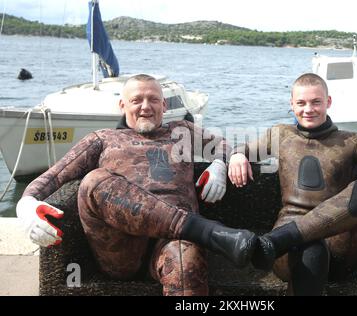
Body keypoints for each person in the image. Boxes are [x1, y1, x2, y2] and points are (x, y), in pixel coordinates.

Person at [16, 74, 257, 296]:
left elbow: (225, 145)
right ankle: (209, 231)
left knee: (186, 260)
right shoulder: (102, 139)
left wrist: (222, 163)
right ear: (122, 105)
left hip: (171, 245)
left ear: (164, 106)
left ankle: (201, 233)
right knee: (94, 180)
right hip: (120, 248)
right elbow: (53, 176)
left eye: (153, 99)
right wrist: (26, 204)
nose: (145, 106)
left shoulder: (182, 131)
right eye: (136, 100)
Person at [228, 73, 357, 296]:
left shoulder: (352, 141)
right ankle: (285, 239)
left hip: (335, 247)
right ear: (292, 104)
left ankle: (273, 241)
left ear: (328, 102)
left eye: (316, 102)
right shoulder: (280, 134)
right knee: (311, 249)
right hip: (286, 252)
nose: (308, 109)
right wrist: (237, 155)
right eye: (301, 103)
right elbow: (244, 148)